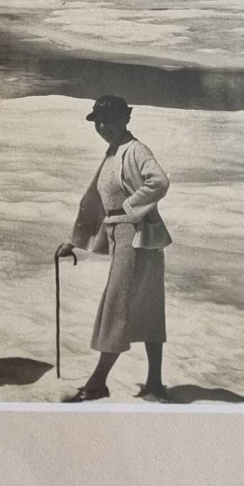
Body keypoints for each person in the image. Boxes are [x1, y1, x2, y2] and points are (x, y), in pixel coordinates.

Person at [55, 95, 171, 401]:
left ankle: (97, 383)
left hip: (137, 237)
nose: (105, 126)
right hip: (126, 237)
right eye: (100, 122)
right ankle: (155, 384)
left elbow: (158, 182)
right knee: (144, 309)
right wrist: (75, 241)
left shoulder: (136, 150)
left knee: (116, 307)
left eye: (111, 120)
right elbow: (94, 201)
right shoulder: (113, 153)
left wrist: (130, 209)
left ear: (125, 119)